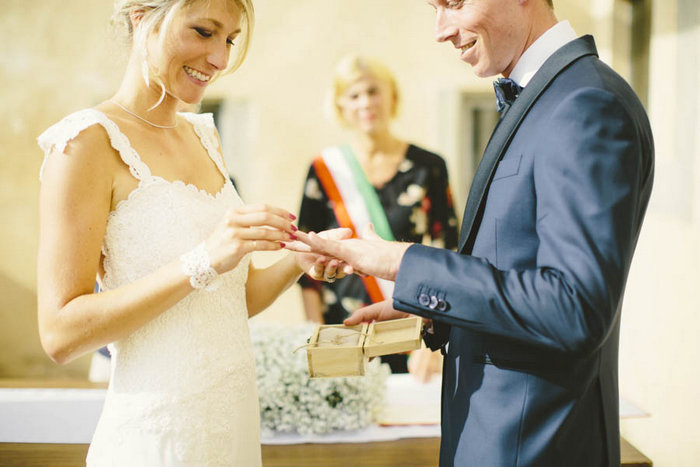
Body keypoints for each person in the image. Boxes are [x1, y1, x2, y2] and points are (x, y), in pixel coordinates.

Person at [289, 0, 654, 465]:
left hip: (533, 446)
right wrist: (432, 312)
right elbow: (518, 268)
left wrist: (400, 262)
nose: (440, 30)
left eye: (453, 3)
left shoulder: (585, 104)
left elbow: (574, 308)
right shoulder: (547, 96)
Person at [36, 0, 346, 465]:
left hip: (232, 430)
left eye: (229, 40)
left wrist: (298, 261)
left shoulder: (205, 136)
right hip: (157, 436)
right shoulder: (84, 143)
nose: (220, 59)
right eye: (204, 31)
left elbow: (227, 300)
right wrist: (204, 258)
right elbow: (60, 333)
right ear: (143, 17)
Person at [297, 55, 458, 374]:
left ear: (392, 97)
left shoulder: (429, 167)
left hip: (412, 334)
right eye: (354, 95)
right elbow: (306, 262)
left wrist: (438, 338)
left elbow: (448, 255)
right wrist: (316, 338)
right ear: (341, 107)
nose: (365, 102)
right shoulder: (324, 170)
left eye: (373, 91)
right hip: (342, 334)